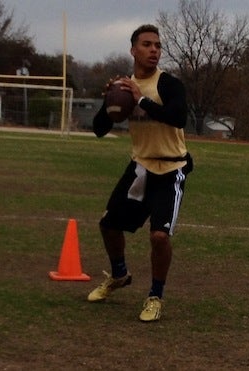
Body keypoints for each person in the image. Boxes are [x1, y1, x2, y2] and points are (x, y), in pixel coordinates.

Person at [87, 24, 192, 322]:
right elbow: (98, 130)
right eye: (146, 45)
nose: (154, 50)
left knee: (159, 236)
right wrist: (110, 102)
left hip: (171, 168)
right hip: (141, 167)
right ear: (133, 50)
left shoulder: (169, 84)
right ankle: (119, 275)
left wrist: (141, 100)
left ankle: (155, 296)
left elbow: (178, 116)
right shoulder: (125, 87)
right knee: (108, 225)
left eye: (157, 45)